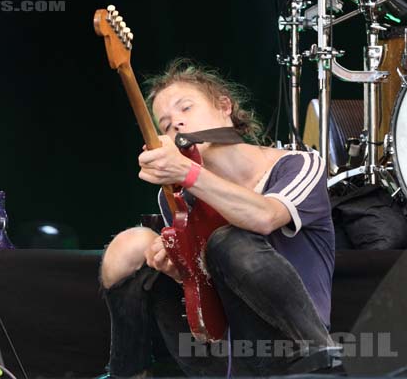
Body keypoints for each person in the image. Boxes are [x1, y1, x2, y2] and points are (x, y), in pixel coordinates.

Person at [99, 59, 338, 377]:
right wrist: (178, 267)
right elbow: (205, 285)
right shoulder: (177, 194)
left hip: (287, 348)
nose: (177, 126)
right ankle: (127, 372)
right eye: (166, 125)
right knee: (131, 244)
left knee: (228, 239)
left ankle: (325, 361)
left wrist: (189, 172)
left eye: (186, 108)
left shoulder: (300, 165)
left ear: (225, 106)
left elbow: (264, 217)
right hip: (222, 348)